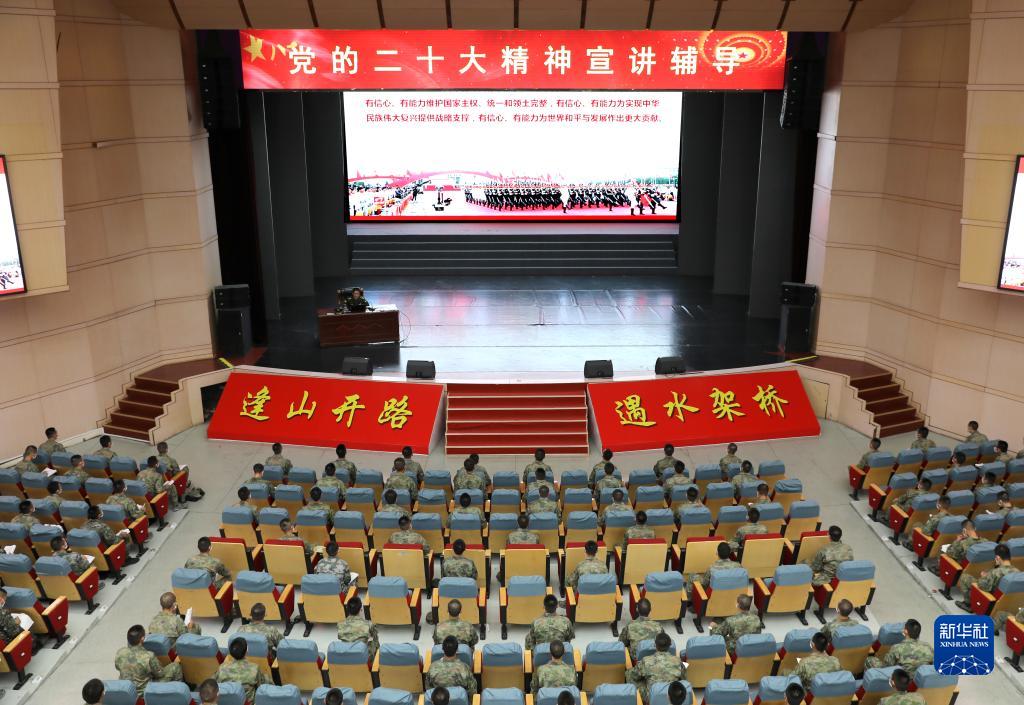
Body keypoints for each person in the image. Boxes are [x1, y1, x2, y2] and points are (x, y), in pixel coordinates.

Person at [114, 624, 184, 692]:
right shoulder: (149, 656)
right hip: (144, 691)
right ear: (142, 639)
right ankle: (178, 692)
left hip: (127, 689)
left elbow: (118, 667)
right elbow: (160, 674)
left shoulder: (120, 653)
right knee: (175, 666)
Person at [957, 543, 1019, 617]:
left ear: (998, 558)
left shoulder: (996, 572)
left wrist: (983, 577)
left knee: (964, 577)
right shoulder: (1017, 572)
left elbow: (982, 586)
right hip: (1004, 602)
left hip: (990, 598)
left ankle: (968, 604)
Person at [627, 632, 685, 702]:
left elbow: (633, 676)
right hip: (673, 695)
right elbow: (684, 679)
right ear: (670, 645)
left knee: (629, 675)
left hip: (651, 697)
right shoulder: (678, 661)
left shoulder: (646, 661)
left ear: (655, 645)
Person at [864, 619, 933, 676]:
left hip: (899, 679)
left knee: (870, 660)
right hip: (916, 681)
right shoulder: (928, 647)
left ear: (905, 631)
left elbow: (886, 667)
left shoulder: (897, 648)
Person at [214, 637, 268, 702]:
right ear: (246, 651)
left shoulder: (222, 668)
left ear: (230, 652)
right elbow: (261, 687)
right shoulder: (254, 668)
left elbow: (214, 685)